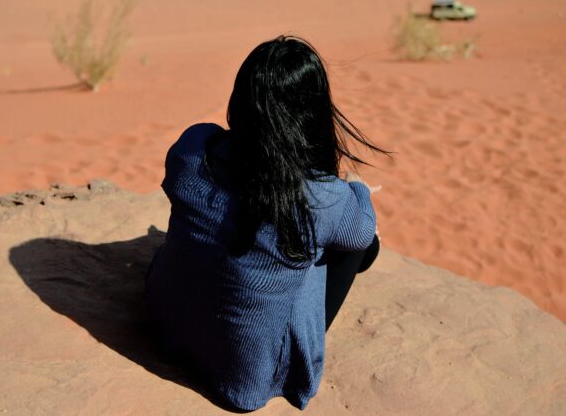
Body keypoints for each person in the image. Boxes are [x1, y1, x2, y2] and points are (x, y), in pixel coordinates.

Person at [143, 35, 389, 411]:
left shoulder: (194, 146)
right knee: (361, 247)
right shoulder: (321, 197)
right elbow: (362, 232)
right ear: (313, 113)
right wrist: (356, 190)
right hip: (243, 375)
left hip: (162, 322)